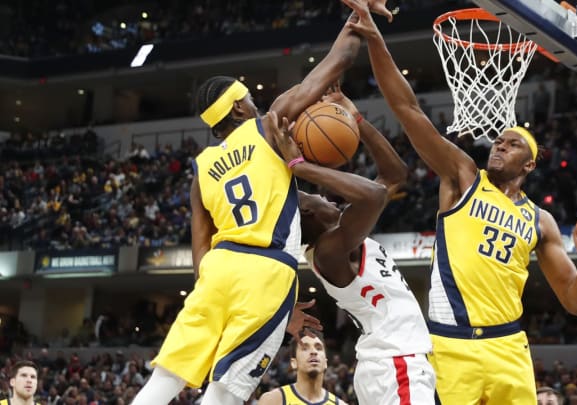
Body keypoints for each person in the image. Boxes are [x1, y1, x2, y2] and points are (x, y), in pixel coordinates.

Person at [340, 0, 577, 403]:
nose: (500, 144)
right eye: (499, 140)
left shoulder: (540, 221)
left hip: (508, 349)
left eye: (513, 144)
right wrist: (377, 40)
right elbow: (407, 109)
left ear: (529, 164)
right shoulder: (463, 176)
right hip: (450, 346)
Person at [131, 2, 393, 402]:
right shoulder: (268, 126)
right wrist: (359, 14)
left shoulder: (204, 165)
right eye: (249, 97)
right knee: (227, 389)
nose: (255, 100)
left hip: (217, 269)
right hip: (265, 270)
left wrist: (219, 288)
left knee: (166, 377)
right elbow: (338, 60)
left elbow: (200, 250)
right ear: (238, 106)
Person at [270, 85, 435, 404]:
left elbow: (394, 175)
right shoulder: (330, 251)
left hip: (389, 364)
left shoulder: (342, 236)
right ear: (308, 212)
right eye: (315, 196)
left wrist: (356, 117)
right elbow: (373, 195)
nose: (324, 195)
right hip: (397, 363)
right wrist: (300, 167)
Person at [258, 331, 347, 405]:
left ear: (325, 363)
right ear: (294, 363)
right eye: (305, 348)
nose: (313, 352)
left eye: (318, 348)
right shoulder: (272, 400)